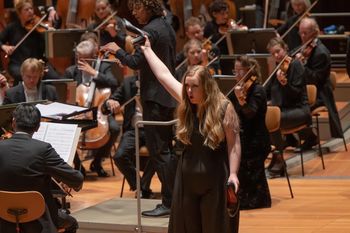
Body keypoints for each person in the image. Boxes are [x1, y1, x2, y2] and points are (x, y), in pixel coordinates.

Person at [141, 36, 241, 232]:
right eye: (187, 85)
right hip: (187, 179)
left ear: (206, 86)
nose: (189, 91)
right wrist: (147, 50)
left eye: (194, 86)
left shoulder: (224, 108)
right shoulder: (187, 103)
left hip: (215, 179)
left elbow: (234, 143)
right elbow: (164, 76)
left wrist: (234, 174)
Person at [101, 0, 177, 217]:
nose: (134, 13)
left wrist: (116, 49)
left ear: (149, 7)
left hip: (155, 98)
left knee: (160, 153)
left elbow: (135, 62)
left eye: (138, 8)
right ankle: (173, 199)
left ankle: (169, 203)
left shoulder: (151, 30)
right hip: (167, 96)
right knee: (166, 152)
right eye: (132, 9)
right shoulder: (165, 25)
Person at [0, 103, 84, 233]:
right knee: (71, 223)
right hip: (38, 219)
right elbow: (77, 178)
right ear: (38, 127)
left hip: (3, 218)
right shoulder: (43, 150)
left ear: (13, 123)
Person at [63, 39, 120, 177]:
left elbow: (114, 83)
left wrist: (94, 72)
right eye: (77, 58)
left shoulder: (103, 67)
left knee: (114, 129)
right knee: (65, 128)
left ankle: (97, 161)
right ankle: (78, 164)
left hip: (99, 110)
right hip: (78, 110)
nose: (79, 62)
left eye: (83, 59)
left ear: (93, 57)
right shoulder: (71, 71)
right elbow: (66, 94)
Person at [228, 55, 271, 209]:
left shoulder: (258, 90)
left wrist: (241, 100)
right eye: (235, 71)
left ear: (250, 71)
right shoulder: (238, 89)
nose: (237, 75)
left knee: (248, 163)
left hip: (257, 140)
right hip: (244, 137)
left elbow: (250, 113)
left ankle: (258, 201)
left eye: (240, 71)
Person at [102, 75, 155, 198]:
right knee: (119, 156)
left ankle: (143, 187)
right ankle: (140, 186)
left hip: (153, 128)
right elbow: (112, 100)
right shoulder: (128, 82)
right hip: (133, 129)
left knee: (159, 153)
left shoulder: (157, 80)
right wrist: (110, 102)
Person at [265, 37, 311, 178]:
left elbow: (296, 94)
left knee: (274, 122)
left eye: (278, 51)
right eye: (273, 54)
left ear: (285, 48)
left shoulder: (296, 65)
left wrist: (284, 83)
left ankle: (279, 160)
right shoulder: (278, 69)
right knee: (266, 119)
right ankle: (277, 158)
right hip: (285, 110)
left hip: (300, 110)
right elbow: (268, 91)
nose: (276, 56)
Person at [295, 17, 343, 148]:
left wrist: (302, 65)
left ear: (314, 33)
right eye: (300, 33)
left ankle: (310, 137)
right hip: (306, 92)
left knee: (297, 109)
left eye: (305, 33)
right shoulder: (305, 48)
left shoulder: (321, 53)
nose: (302, 36)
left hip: (320, 95)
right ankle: (291, 139)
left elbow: (315, 80)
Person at [0, 0, 60, 86]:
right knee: (24, 76)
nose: (30, 11)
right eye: (26, 9)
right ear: (19, 13)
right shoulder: (12, 28)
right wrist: (4, 47)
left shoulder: (39, 27)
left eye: (31, 9)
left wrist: (50, 33)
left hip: (39, 63)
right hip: (18, 64)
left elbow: (48, 45)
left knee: (56, 79)